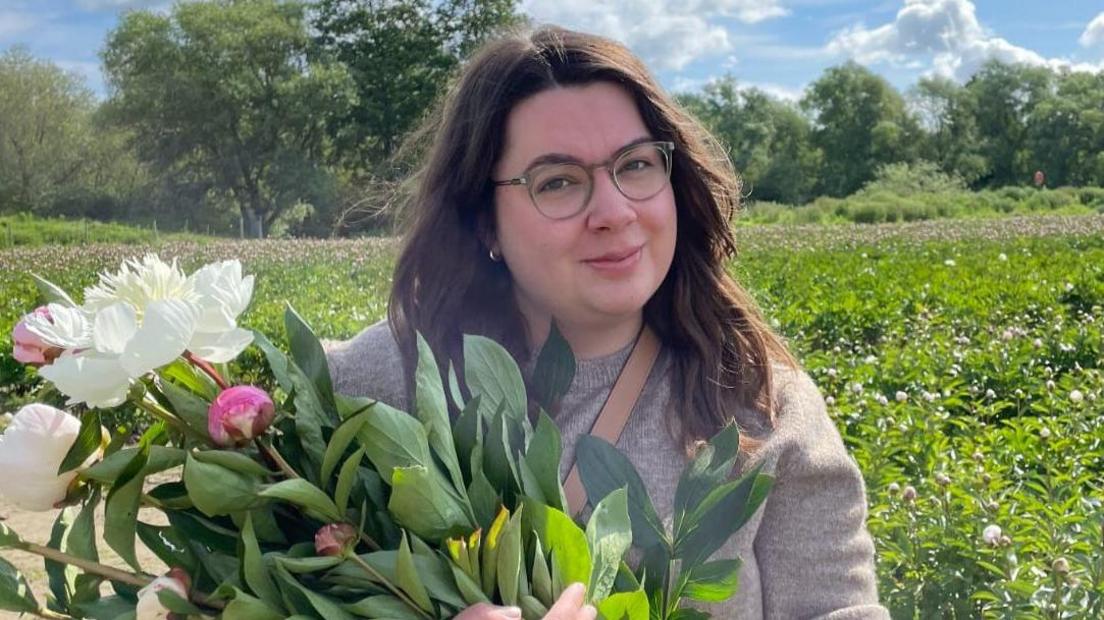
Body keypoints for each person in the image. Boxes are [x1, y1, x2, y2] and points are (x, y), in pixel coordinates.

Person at [324, 25, 890, 619]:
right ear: (483, 222)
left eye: (637, 164)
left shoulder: (765, 411)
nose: (616, 213)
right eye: (558, 182)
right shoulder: (374, 388)